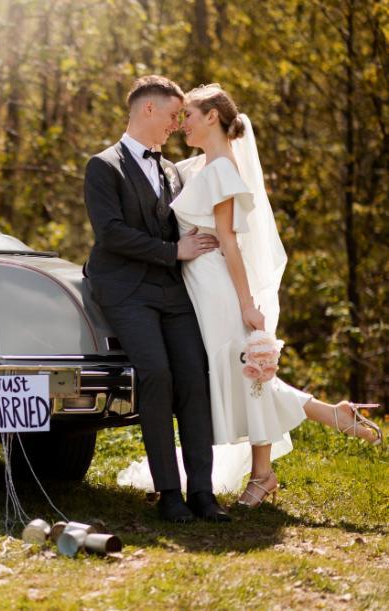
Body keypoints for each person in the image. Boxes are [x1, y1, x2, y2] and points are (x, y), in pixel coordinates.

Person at [170, 83, 383, 508]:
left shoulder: (222, 171)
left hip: (218, 286)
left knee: (247, 374)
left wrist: (248, 304)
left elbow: (229, 241)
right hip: (201, 281)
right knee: (242, 373)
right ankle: (331, 415)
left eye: (189, 115)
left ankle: (264, 474)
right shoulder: (204, 166)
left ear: (213, 116)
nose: (182, 124)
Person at [83, 75, 230, 523]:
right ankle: (169, 494)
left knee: (193, 377)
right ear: (148, 110)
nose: (175, 124)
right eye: (172, 115)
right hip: (125, 289)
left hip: (171, 289)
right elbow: (110, 233)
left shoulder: (171, 170)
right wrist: (172, 251)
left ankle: (202, 493)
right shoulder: (102, 166)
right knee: (157, 375)